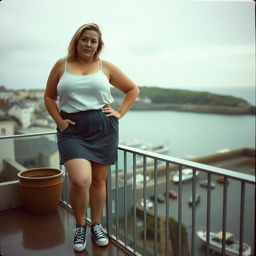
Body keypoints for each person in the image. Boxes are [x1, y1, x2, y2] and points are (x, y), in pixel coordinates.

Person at [44, 23, 139, 252]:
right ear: (77, 41)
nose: (88, 44)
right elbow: (49, 97)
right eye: (85, 39)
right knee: (80, 180)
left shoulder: (105, 66)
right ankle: (80, 225)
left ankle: (96, 224)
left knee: (98, 181)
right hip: (72, 130)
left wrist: (119, 113)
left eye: (93, 41)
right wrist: (59, 122)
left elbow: (132, 89)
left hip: (102, 128)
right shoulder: (61, 65)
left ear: (99, 45)